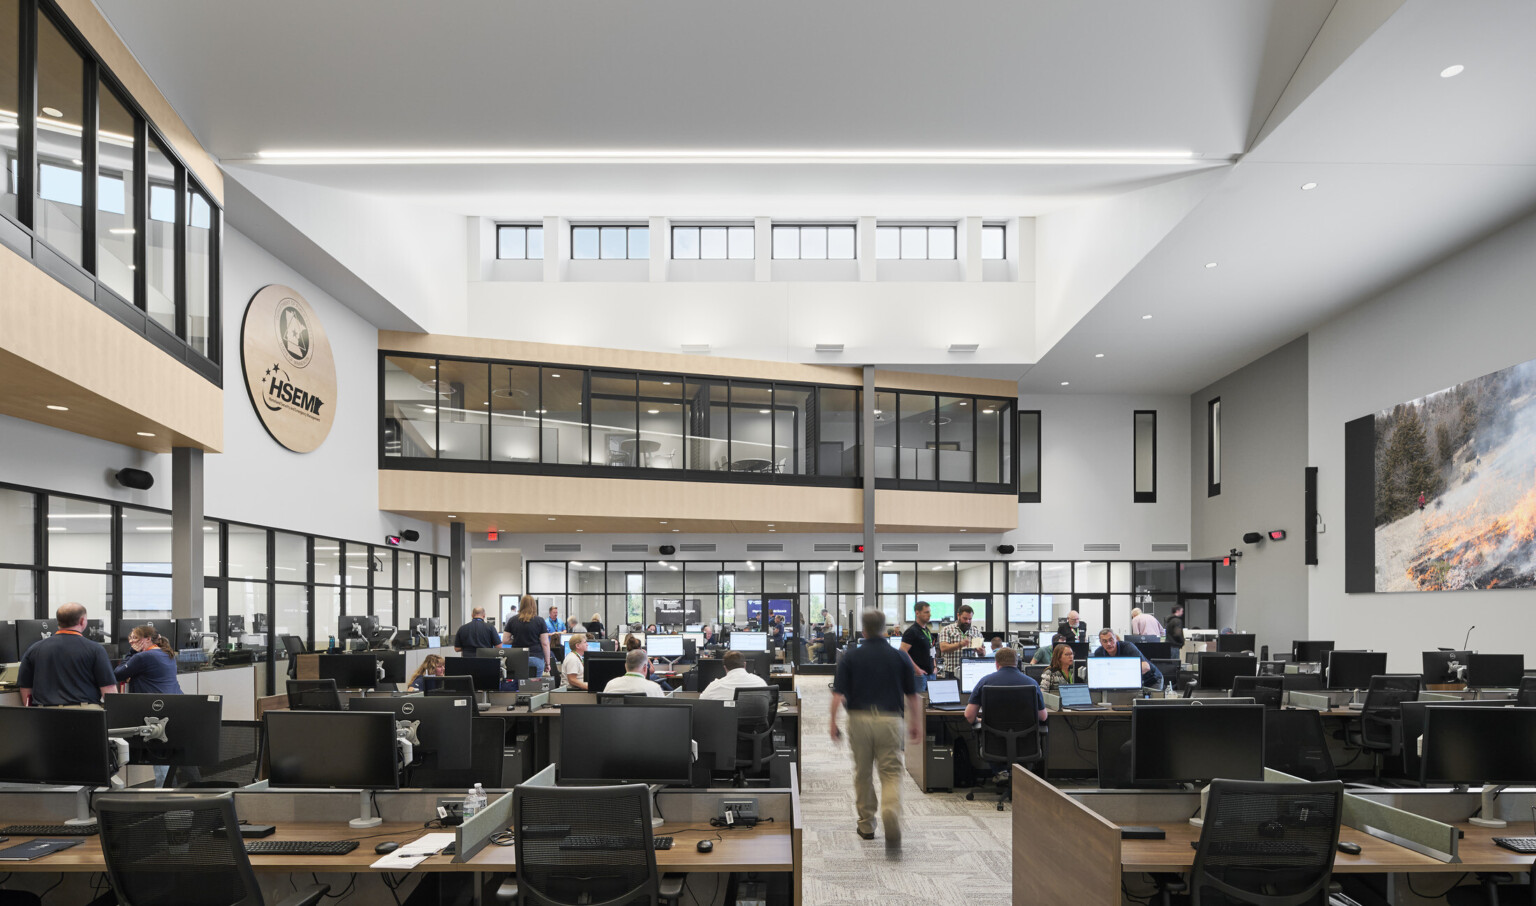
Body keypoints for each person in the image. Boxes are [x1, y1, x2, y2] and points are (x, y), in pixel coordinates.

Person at [829, 610, 920, 854]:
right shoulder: (899, 657)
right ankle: (890, 810)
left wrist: (832, 722)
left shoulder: (850, 656)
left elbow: (838, 694)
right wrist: (916, 724)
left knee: (863, 772)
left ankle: (867, 825)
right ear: (885, 628)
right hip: (891, 719)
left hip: (858, 719)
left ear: (863, 629)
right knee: (891, 772)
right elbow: (912, 695)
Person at [963, 647, 1048, 781]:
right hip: (1026, 746)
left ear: (996, 664)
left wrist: (980, 721)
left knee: (983, 731)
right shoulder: (1031, 683)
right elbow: (1043, 717)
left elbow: (969, 716)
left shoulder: (985, 682)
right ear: (1017, 662)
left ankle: (1000, 771)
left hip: (994, 747)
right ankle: (1023, 776)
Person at [17, 603, 116, 708]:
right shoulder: (95, 649)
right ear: (82, 621)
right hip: (85, 713)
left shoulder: (34, 649)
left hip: (44, 715)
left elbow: (25, 688)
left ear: (58, 621)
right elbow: (108, 690)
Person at [115, 625, 183, 694]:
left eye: (135, 638)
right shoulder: (167, 653)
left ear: (148, 639)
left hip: (155, 702)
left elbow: (117, 675)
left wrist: (131, 652)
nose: (130, 641)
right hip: (175, 699)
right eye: (130, 638)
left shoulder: (143, 656)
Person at [1093, 629, 1162, 688]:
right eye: (1105, 641)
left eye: (1111, 640)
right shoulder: (1099, 653)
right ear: (1100, 642)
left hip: (1152, 680)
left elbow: (1145, 667)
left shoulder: (1128, 647)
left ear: (1116, 639)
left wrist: (1120, 671)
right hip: (1131, 683)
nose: (1108, 644)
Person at [503, 594, 552, 677]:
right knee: (534, 686)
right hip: (536, 658)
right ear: (534, 605)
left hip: (517, 658)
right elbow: (545, 643)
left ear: (521, 605)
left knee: (517, 686)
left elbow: (505, 640)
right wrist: (548, 663)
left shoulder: (512, 620)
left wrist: (519, 639)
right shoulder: (540, 621)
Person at [699, 650, 769, 700]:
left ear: (725, 667)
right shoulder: (760, 682)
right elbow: (768, 701)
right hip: (757, 721)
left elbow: (701, 703)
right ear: (745, 664)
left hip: (727, 721)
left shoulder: (715, 686)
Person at [899, 602, 937, 692]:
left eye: (929, 612)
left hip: (931, 673)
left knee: (932, 703)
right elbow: (902, 651)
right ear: (917, 613)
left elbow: (932, 650)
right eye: (926, 612)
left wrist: (935, 666)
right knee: (920, 703)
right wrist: (916, 669)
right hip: (919, 675)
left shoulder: (927, 631)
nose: (929, 615)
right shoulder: (912, 631)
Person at [937, 604, 983, 678]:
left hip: (970, 672)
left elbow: (982, 654)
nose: (967, 621)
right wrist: (960, 644)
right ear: (958, 615)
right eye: (965, 618)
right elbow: (943, 648)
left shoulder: (976, 632)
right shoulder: (947, 630)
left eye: (970, 619)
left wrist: (981, 652)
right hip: (951, 672)